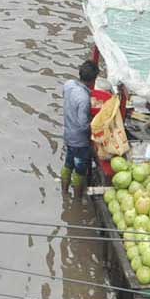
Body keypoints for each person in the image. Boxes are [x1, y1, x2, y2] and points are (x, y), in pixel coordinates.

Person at [61, 60, 100, 200]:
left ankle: (64, 194)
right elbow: (84, 125)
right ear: (93, 80)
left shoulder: (68, 84)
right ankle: (77, 201)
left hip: (68, 134)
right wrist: (96, 129)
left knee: (68, 164)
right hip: (79, 141)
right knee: (79, 170)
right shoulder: (84, 98)